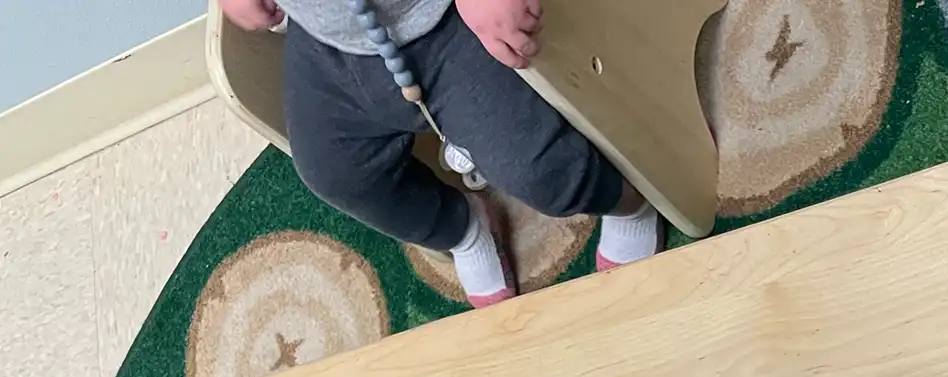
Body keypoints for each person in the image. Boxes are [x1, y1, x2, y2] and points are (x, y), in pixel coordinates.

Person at [217, 0, 666, 308]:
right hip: (327, 39)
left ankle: (627, 201)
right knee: (332, 172)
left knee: (542, 170)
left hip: (447, 22)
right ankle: (462, 226)